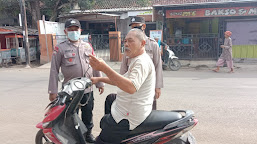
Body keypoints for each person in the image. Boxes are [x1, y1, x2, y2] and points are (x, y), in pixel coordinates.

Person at [89, 28, 156, 144]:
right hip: (129, 105)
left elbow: (130, 87)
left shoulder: (141, 62)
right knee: (110, 98)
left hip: (129, 115)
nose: (126, 44)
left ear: (143, 43)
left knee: (100, 142)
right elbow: (119, 80)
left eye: (130, 41)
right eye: (125, 41)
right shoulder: (136, 60)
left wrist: (105, 68)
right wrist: (98, 79)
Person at [48, 18, 104, 143]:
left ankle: (87, 135)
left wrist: (100, 82)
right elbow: (54, 70)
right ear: (65, 31)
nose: (74, 32)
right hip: (70, 90)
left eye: (76, 29)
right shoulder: (60, 48)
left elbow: (95, 64)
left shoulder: (87, 46)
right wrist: (53, 90)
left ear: (80, 30)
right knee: (70, 115)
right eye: (70, 30)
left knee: (88, 114)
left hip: (87, 89)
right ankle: (74, 136)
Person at [120, 16, 163, 110]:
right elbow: (124, 66)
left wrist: (158, 86)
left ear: (143, 26)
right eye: (133, 27)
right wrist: (122, 85)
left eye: (137, 27)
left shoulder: (153, 45)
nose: (135, 29)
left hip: (147, 88)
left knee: (150, 114)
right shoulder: (128, 44)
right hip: (132, 86)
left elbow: (158, 66)